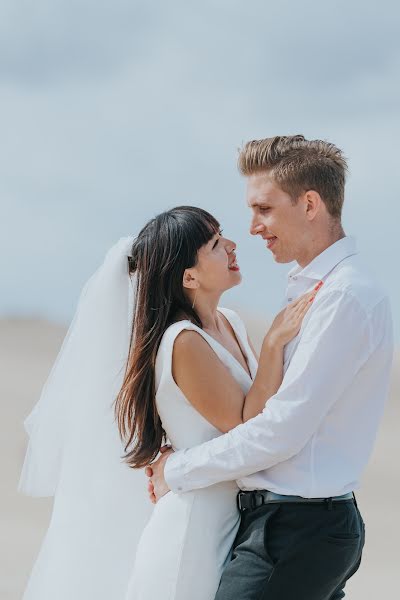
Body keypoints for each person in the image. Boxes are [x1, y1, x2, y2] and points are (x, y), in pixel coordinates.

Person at [18, 205, 318, 600]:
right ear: (189, 276)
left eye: (221, 235)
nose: (231, 245)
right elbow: (245, 423)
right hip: (195, 531)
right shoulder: (184, 341)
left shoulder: (230, 322)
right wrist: (275, 342)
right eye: (214, 244)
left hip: (232, 519)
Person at [147, 136, 394, 600]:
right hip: (285, 525)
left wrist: (177, 469)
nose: (253, 227)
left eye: (263, 208)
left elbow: (281, 431)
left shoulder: (341, 298)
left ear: (309, 204)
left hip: (296, 529)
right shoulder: (310, 289)